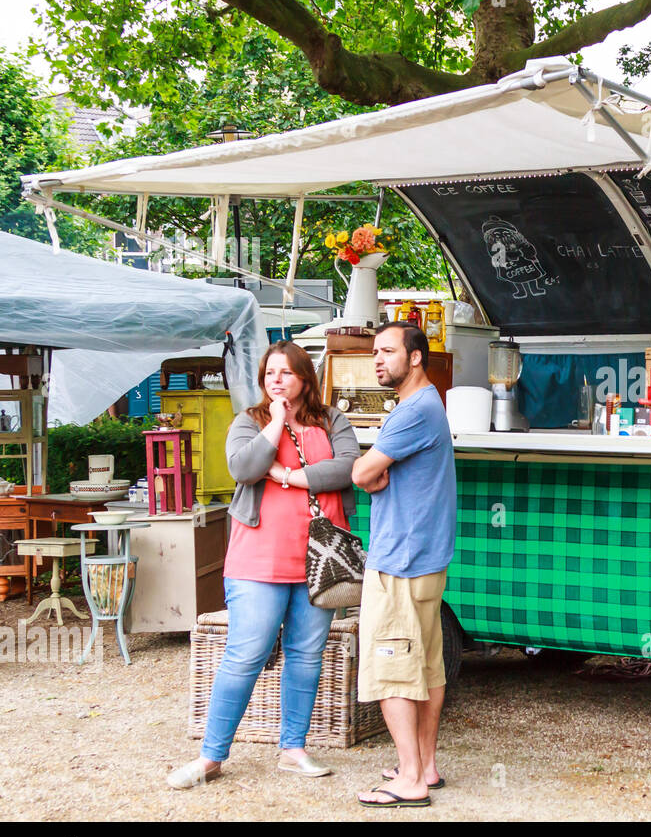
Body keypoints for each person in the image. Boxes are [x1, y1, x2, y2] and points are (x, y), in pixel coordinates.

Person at [167, 341, 360, 789]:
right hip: (258, 560)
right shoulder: (248, 421)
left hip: (321, 560)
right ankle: (211, 757)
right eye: (270, 373)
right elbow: (244, 468)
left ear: (304, 378)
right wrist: (274, 424)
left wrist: (289, 475)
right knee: (245, 654)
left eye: (287, 373)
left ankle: (293, 749)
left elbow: (348, 468)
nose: (277, 380)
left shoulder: (332, 419)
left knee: (307, 655)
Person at [353, 322, 457, 808]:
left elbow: (361, 472)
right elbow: (376, 473)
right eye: (375, 351)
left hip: (400, 559)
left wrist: (375, 476)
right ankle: (427, 766)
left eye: (388, 351)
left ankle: (411, 779)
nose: (378, 359)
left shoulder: (412, 410)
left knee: (394, 667)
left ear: (415, 357)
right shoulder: (429, 403)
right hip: (426, 559)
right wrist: (379, 474)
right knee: (427, 667)